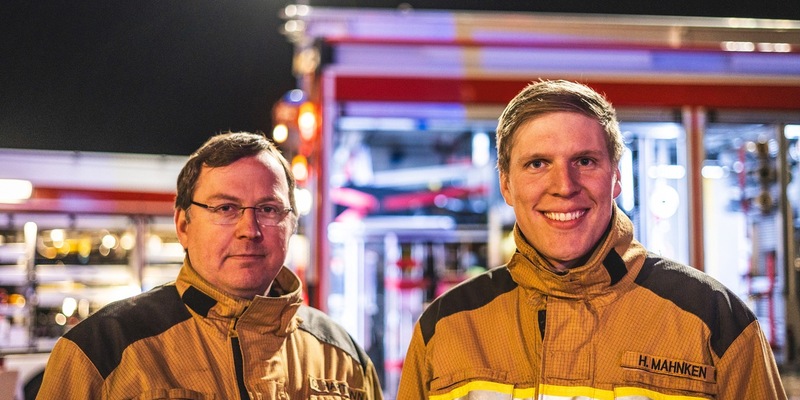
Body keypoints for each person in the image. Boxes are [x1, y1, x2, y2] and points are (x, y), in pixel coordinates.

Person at [397, 80, 787, 398]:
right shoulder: (445, 328)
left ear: (617, 177)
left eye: (584, 161)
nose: (564, 186)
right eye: (538, 164)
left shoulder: (713, 320)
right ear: (506, 185)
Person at [37, 132, 383, 399]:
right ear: (183, 226)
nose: (250, 230)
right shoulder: (102, 351)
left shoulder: (343, 357)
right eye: (225, 209)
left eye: (268, 209)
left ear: (291, 224)